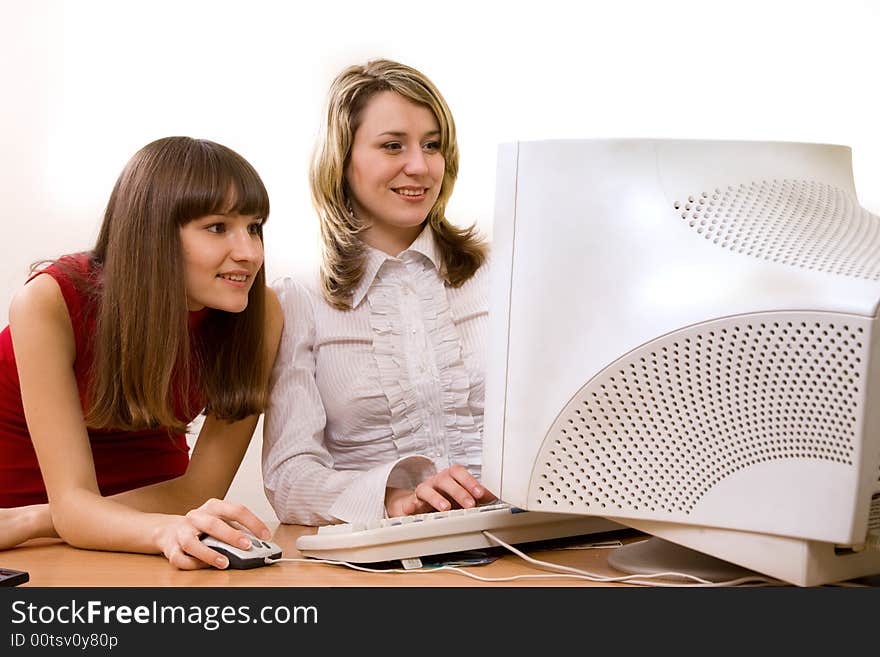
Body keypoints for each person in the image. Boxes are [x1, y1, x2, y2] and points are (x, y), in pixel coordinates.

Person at [0, 136, 283, 569]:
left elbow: (196, 491)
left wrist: (42, 520)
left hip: (124, 518)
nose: (249, 253)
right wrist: (74, 517)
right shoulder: (48, 301)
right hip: (20, 523)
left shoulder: (259, 315)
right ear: (152, 234)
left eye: (254, 227)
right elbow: (73, 500)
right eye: (217, 227)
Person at [263, 59, 495, 526]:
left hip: (531, 543)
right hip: (384, 560)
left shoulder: (501, 272)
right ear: (342, 160)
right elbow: (288, 477)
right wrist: (388, 499)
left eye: (433, 146)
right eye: (393, 146)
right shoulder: (297, 299)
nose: (420, 166)